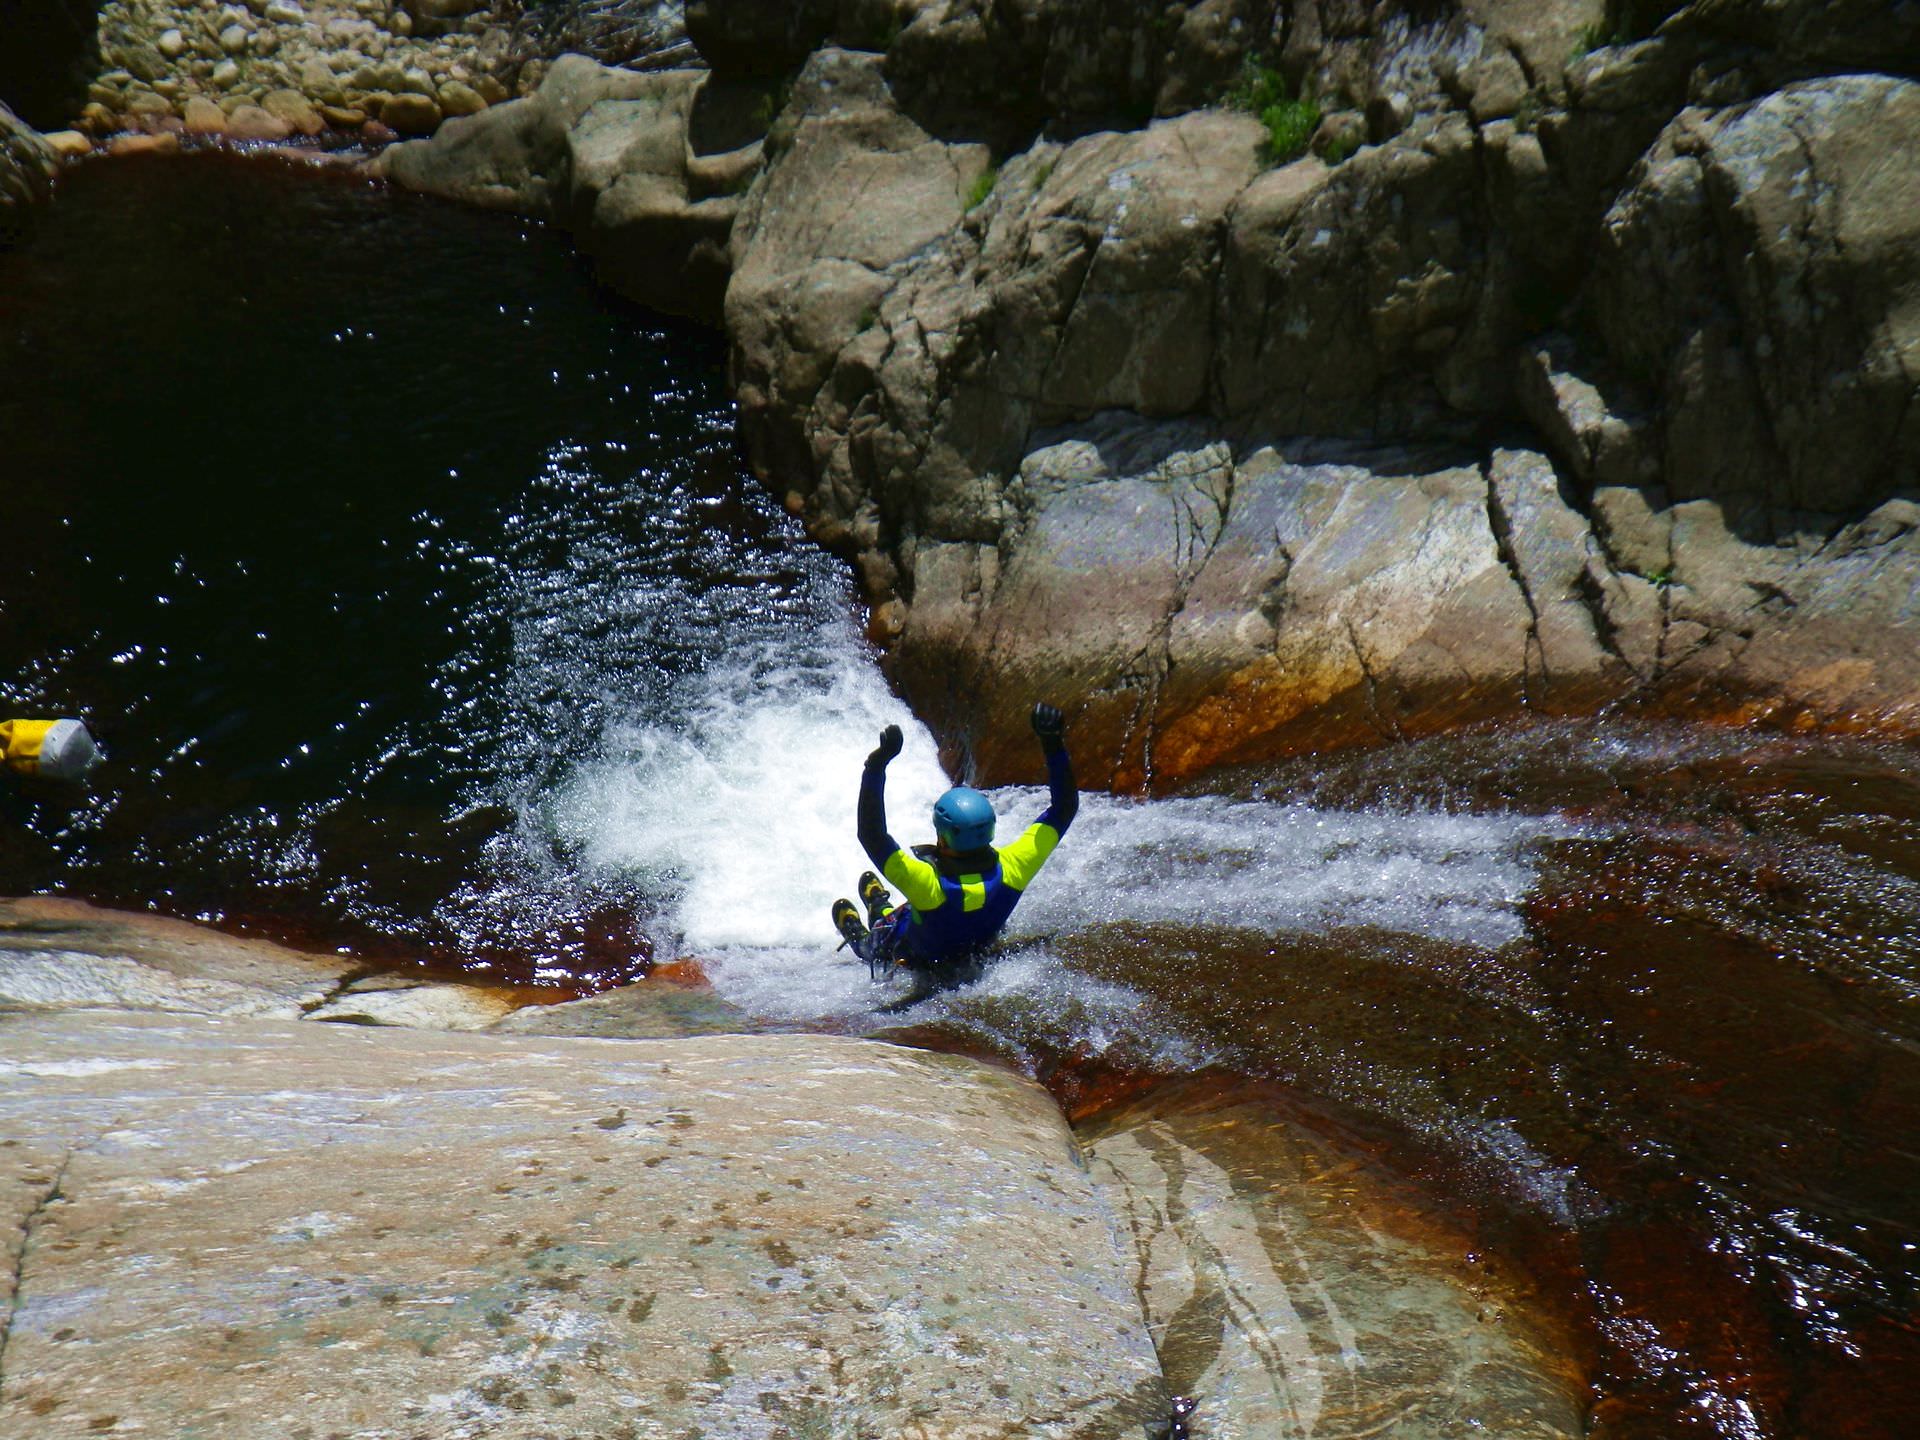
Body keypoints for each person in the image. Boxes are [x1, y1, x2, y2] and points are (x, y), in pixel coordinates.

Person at [833, 702, 1077, 977]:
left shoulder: (927, 884)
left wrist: (876, 766)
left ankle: (872, 914)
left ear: (944, 840)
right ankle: (880, 902)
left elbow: (871, 835)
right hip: (971, 944)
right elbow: (1063, 809)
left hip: (913, 951)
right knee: (918, 910)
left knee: (875, 944)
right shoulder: (1015, 867)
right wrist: (1053, 742)